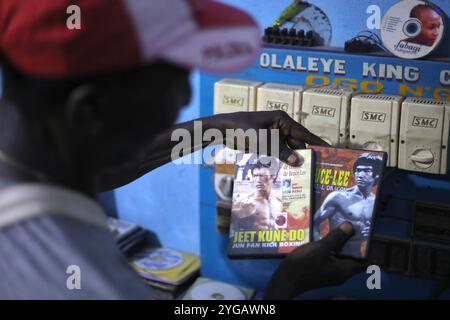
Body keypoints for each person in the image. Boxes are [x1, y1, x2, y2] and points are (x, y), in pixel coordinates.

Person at [0, 0, 365, 299]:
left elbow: (92, 166)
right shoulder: (81, 281)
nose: (189, 97)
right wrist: (287, 286)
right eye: (173, 83)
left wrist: (213, 129)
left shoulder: (28, 152)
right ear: (88, 111)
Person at [313, 153, 384, 258]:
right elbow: (314, 223)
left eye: (366, 171)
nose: (360, 174)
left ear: (377, 175)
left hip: (357, 257)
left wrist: (372, 234)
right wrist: (320, 249)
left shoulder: (375, 201)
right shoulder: (339, 197)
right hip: (332, 256)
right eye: (358, 170)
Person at [232, 157, 282, 231]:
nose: (258, 180)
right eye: (255, 176)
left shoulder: (279, 201)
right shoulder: (244, 202)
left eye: (262, 175)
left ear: (273, 176)